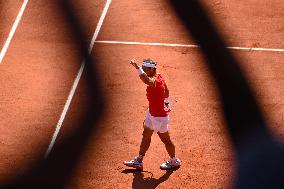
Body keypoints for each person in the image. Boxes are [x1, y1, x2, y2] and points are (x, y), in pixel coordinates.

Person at [123, 58, 181, 170]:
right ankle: (139, 161)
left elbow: (146, 81)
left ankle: (174, 161)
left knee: (166, 140)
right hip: (151, 113)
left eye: (145, 69)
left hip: (159, 117)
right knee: (146, 136)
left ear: (151, 69)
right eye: (143, 69)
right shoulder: (159, 76)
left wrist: (137, 68)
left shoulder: (155, 81)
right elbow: (167, 91)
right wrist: (166, 102)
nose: (144, 71)